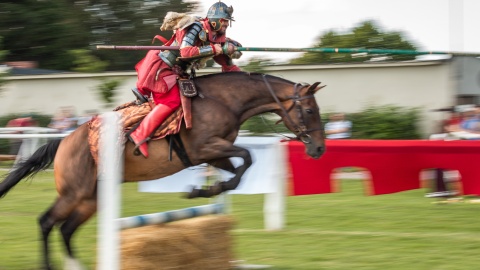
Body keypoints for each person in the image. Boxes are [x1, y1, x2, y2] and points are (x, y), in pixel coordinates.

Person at [128, 1, 242, 158]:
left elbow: (223, 59)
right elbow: (186, 51)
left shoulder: (215, 35)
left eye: (227, 22)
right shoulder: (197, 27)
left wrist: (232, 56)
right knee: (172, 101)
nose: (226, 25)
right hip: (163, 68)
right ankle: (140, 134)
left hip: (178, 72)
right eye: (224, 21)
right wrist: (217, 48)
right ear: (215, 19)